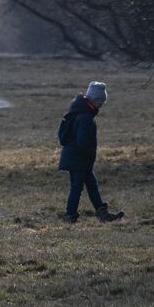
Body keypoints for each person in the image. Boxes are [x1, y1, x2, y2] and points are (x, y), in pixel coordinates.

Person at [57, 81, 123, 223]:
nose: (101, 105)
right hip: (79, 159)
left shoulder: (78, 112)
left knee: (91, 185)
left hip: (77, 158)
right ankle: (70, 216)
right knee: (77, 188)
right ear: (96, 101)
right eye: (101, 102)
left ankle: (102, 213)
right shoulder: (86, 118)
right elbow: (82, 142)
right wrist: (90, 153)